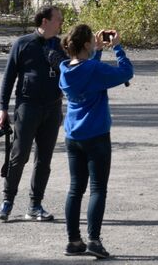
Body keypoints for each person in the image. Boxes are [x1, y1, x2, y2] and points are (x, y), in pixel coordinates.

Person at [58, 23, 133, 259]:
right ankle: (94, 240)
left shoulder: (64, 69)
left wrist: (98, 52)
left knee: (75, 189)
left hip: (73, 135)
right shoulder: (93, 69)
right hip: (96, 135)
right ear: (87, 44)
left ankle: (73, 241)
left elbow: (89, 73)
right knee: (98, 189)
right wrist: (117, 48)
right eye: (93, 40)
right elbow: (125, 72)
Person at [0, 4, 67, 222]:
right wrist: (2, 108)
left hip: (53, 107)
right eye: (58, 19)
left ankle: (35, 205)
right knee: (19, 156)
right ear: (44, 21)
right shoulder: (23, 44)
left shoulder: (61, 46)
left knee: (44, 159)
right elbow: (9, 77)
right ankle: (7, 202)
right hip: (27, 107)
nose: (61, 23)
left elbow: (76, 70)